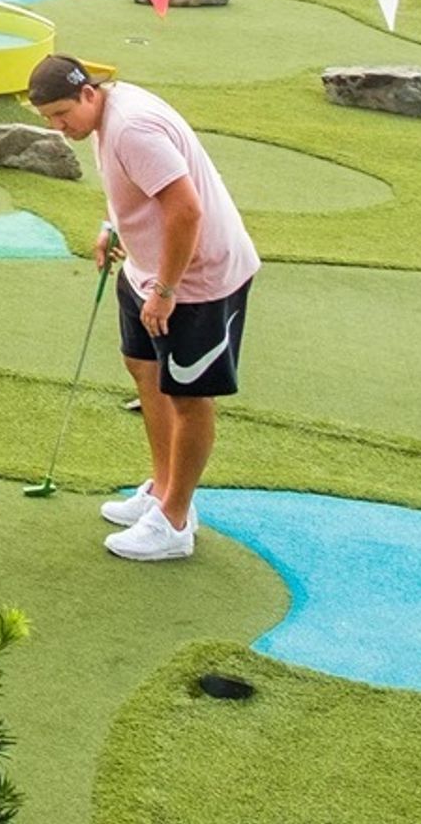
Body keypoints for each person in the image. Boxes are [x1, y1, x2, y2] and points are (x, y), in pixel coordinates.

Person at [22, 53, 258, 561]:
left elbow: (186, 208)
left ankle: (175, 521)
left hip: (199, 279)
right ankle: (162, 488)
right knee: (143, 367)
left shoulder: (132, 128)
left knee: (189, 397)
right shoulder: (107, 117)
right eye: (48, 120)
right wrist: (114, 225)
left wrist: (167, 290)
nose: (59, 128)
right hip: (149, 268)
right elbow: (136, 187)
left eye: (62, 114)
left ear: (88, 93)